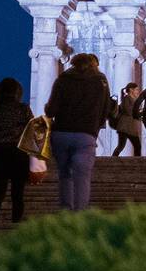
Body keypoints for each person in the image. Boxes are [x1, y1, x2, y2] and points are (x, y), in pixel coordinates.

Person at [44, 53, 112, 211]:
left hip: (61, 133)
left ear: (73, 63)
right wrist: (97, 125)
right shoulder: (100, 81)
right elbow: (106, 107)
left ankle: (66, 210)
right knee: (82, 176)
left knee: (64, 174)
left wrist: (49, 110)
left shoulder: (62, 79)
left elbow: (51, 110)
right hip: (85, 134)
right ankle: (80, 213)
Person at [0, 77, 33, 223]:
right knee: (18, 192)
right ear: (18, 92)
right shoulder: (23, 109)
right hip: (18, 152)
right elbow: (31, 129)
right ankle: (16, 221)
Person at [111, 82, 143, 156]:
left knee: (123, 146)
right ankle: (113, 159)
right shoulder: (126, 98)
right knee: (128, 146)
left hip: (130, 127)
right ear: (131, 90)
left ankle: (114, 158)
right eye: (136, 89)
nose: (138, 91)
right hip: (125, 127)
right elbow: (128, 111)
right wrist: (138, 112)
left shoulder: (134, 99)